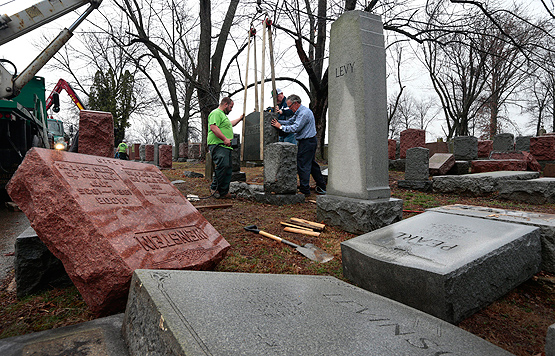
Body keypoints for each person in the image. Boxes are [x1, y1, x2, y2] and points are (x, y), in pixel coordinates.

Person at [270, 94, 326, 196]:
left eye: (290, 106)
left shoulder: (304, 113)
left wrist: (281, 127)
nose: (290, 109)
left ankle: (305, 190)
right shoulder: (298, 112)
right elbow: (290, 121)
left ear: (296, 103)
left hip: (307, 142)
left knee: (303, 165)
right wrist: (277, 122)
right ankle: (321, 186)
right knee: (312, 165)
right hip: (308, 141)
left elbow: (295, 127)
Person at [208, 97, 245, 198]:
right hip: (218, 145)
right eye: (231, 107)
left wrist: (240, 118)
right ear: (225, 104)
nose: (231, 109)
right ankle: (214, 188)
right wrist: (224, 139)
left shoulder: (223, 116)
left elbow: (230, 124)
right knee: (222, 166)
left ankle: (224, 192)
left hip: (226, 147)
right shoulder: (216, 113)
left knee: (228, 169)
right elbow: (213, 127)